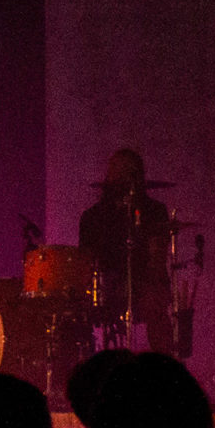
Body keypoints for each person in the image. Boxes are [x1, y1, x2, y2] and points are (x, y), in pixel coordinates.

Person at [79, 148, 173, 352]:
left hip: (144, 282)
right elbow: (85, 262)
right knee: (75, 311)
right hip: (107, 286)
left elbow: (157, 258)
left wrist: (147, 280)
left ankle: (165, 368)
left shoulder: (155, 211)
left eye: (128, 172)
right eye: (116, 171)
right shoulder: (93, 217)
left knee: (156, 304)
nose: (120, 177)